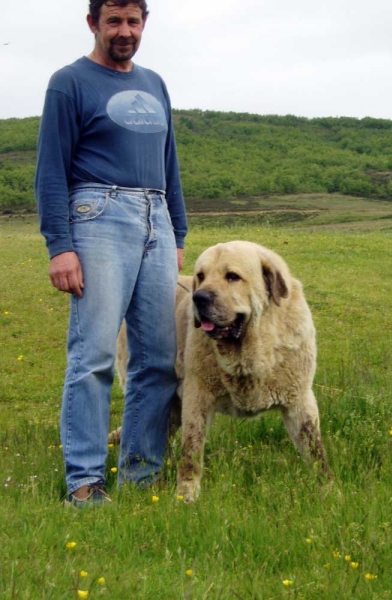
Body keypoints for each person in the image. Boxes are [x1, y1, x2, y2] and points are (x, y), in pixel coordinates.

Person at [35, 0, 188, 507]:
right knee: (95, 355)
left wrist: (178, 234)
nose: (125, 32)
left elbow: (169, 164)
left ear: (144, 24)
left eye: (133, 22)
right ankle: (84, 482)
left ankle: (141, 477)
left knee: (160, 360)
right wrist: (61, 247)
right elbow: (51, 170)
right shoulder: (69, 82)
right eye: (114, 21)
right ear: (93, 24)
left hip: (157, 218)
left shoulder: (155, 83)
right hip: (97, 214)